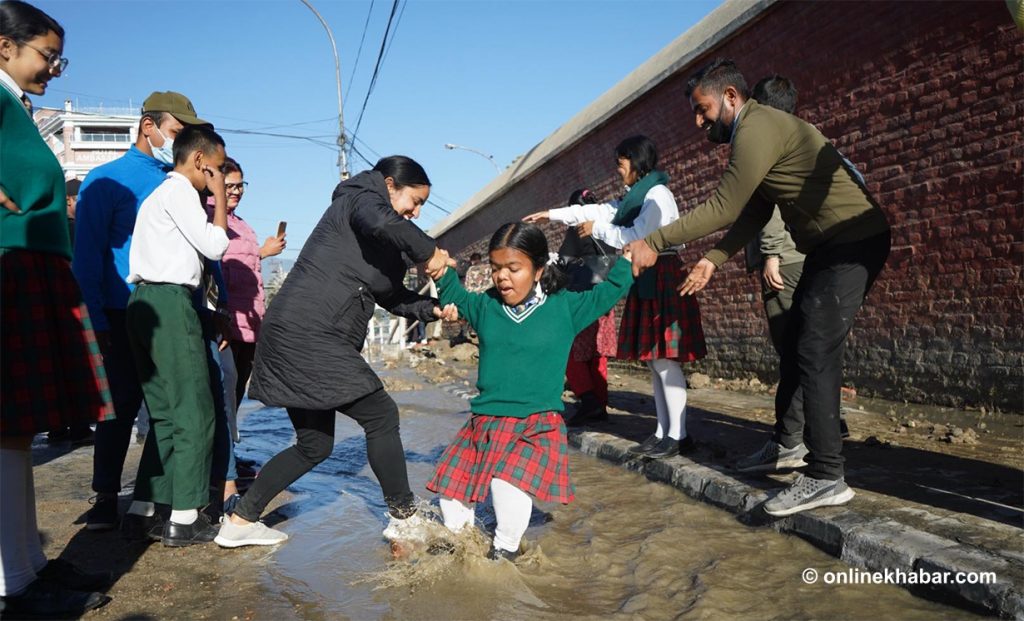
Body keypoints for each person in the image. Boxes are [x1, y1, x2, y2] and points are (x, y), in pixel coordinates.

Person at [625, 58, 891, 516]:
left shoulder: (757, 127)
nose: (698, 121)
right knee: (798, 346)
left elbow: (725, 206)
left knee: (813, 350)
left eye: (702, 108)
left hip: (852, 240)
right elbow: (751, 212)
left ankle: (827, 475)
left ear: (731, 97)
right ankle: (790, 447)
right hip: (828, 247)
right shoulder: (758, 133)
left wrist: (654, 239)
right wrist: (713, 259)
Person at [216, 156, 456, 548]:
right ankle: (405, 518)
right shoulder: (359, 196)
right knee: (381, 415)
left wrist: (431, 308)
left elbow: (392, 296)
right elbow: (381, 220)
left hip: (305, 336)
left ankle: (240, 521)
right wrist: (428, 252)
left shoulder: (383, 241)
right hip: (308, 333)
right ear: (390, 184)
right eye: (415, 201)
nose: (416, 212)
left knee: (315, 445)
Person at [425, 222, 634, 560]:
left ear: (538, 269)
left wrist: (627, 263)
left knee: (505, 488)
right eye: (495, 269)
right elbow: (456, 298)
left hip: (535, 423)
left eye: (513, 268)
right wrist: (440, 273)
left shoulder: (564, 307)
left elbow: (608, 291)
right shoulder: (486, 307)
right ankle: (465, 564)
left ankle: (504, 555)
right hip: (485, 422)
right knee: (451, 500)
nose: (502, 277)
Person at [0, 1, 112, 615]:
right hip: (10, 266)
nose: (55, 69)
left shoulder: (16, 107)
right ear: (3, 46)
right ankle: (12, 582)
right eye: (47, 55)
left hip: (32, 267)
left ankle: (26, 566)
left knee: (15, 428)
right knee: (6, 427)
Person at [73, 89, 209, 531]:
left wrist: (212, 305)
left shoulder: (183, 180)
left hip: (178, 308)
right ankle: (106, 496)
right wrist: (92, 319)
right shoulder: (106, 180)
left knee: (173, 406)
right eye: (175, 131)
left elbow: (202, 247)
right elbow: (88, 256)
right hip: (119, 310)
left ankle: (161, 497)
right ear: (148, 126)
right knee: (122, 405)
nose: (179, 139)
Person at [525, 136, 707, 458]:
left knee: (665, 360)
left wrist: (596, 228)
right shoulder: (636, 196)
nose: (617, 168)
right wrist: (551, 215)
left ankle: (679, 434)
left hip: (661, 271)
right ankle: (663, 431)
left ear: (636, 161)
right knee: (655, 361)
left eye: (621, 161)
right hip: (646, 274)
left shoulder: (656, 197)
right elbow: (600, 210)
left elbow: (634, 236)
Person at [735, 74, 851, 472]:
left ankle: (791, 442)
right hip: (813, 258)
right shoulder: (809, 135)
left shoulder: (765, 139)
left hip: (784, 260)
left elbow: (766, 203)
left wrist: (770, 254)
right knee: (815, 348)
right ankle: (823, 426)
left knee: (794, 351)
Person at [121, 124, 230, 547]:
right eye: (215, 169)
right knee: (194, 410)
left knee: (164, 414)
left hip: (143, 303)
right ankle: (185, 518)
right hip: (170, 303)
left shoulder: (156, 195)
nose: (216, 177)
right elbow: (215, 246)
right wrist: (218, 196)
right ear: (201, 160)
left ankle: (145, 506)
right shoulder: (182, 190)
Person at [214, 157, 285, 408]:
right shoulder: (210, 216)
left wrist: (263, 252)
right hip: (226, 320)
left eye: (240, 185)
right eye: (230, 186)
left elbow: (243, 263)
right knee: (223, 392)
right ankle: (224, 445)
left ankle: (231, 444)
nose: (236, 191)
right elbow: (221, 264)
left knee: (235, 391)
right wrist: (261, 252)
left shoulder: (241, 223)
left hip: (249, 322)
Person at [557, 188, 618, 426]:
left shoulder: (577, 230)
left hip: (582, 301)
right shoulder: (608, 228)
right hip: (604, 300)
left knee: (571, 353)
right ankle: (599, 405)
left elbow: (563, 263)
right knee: (597, 354)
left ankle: (588, 400)